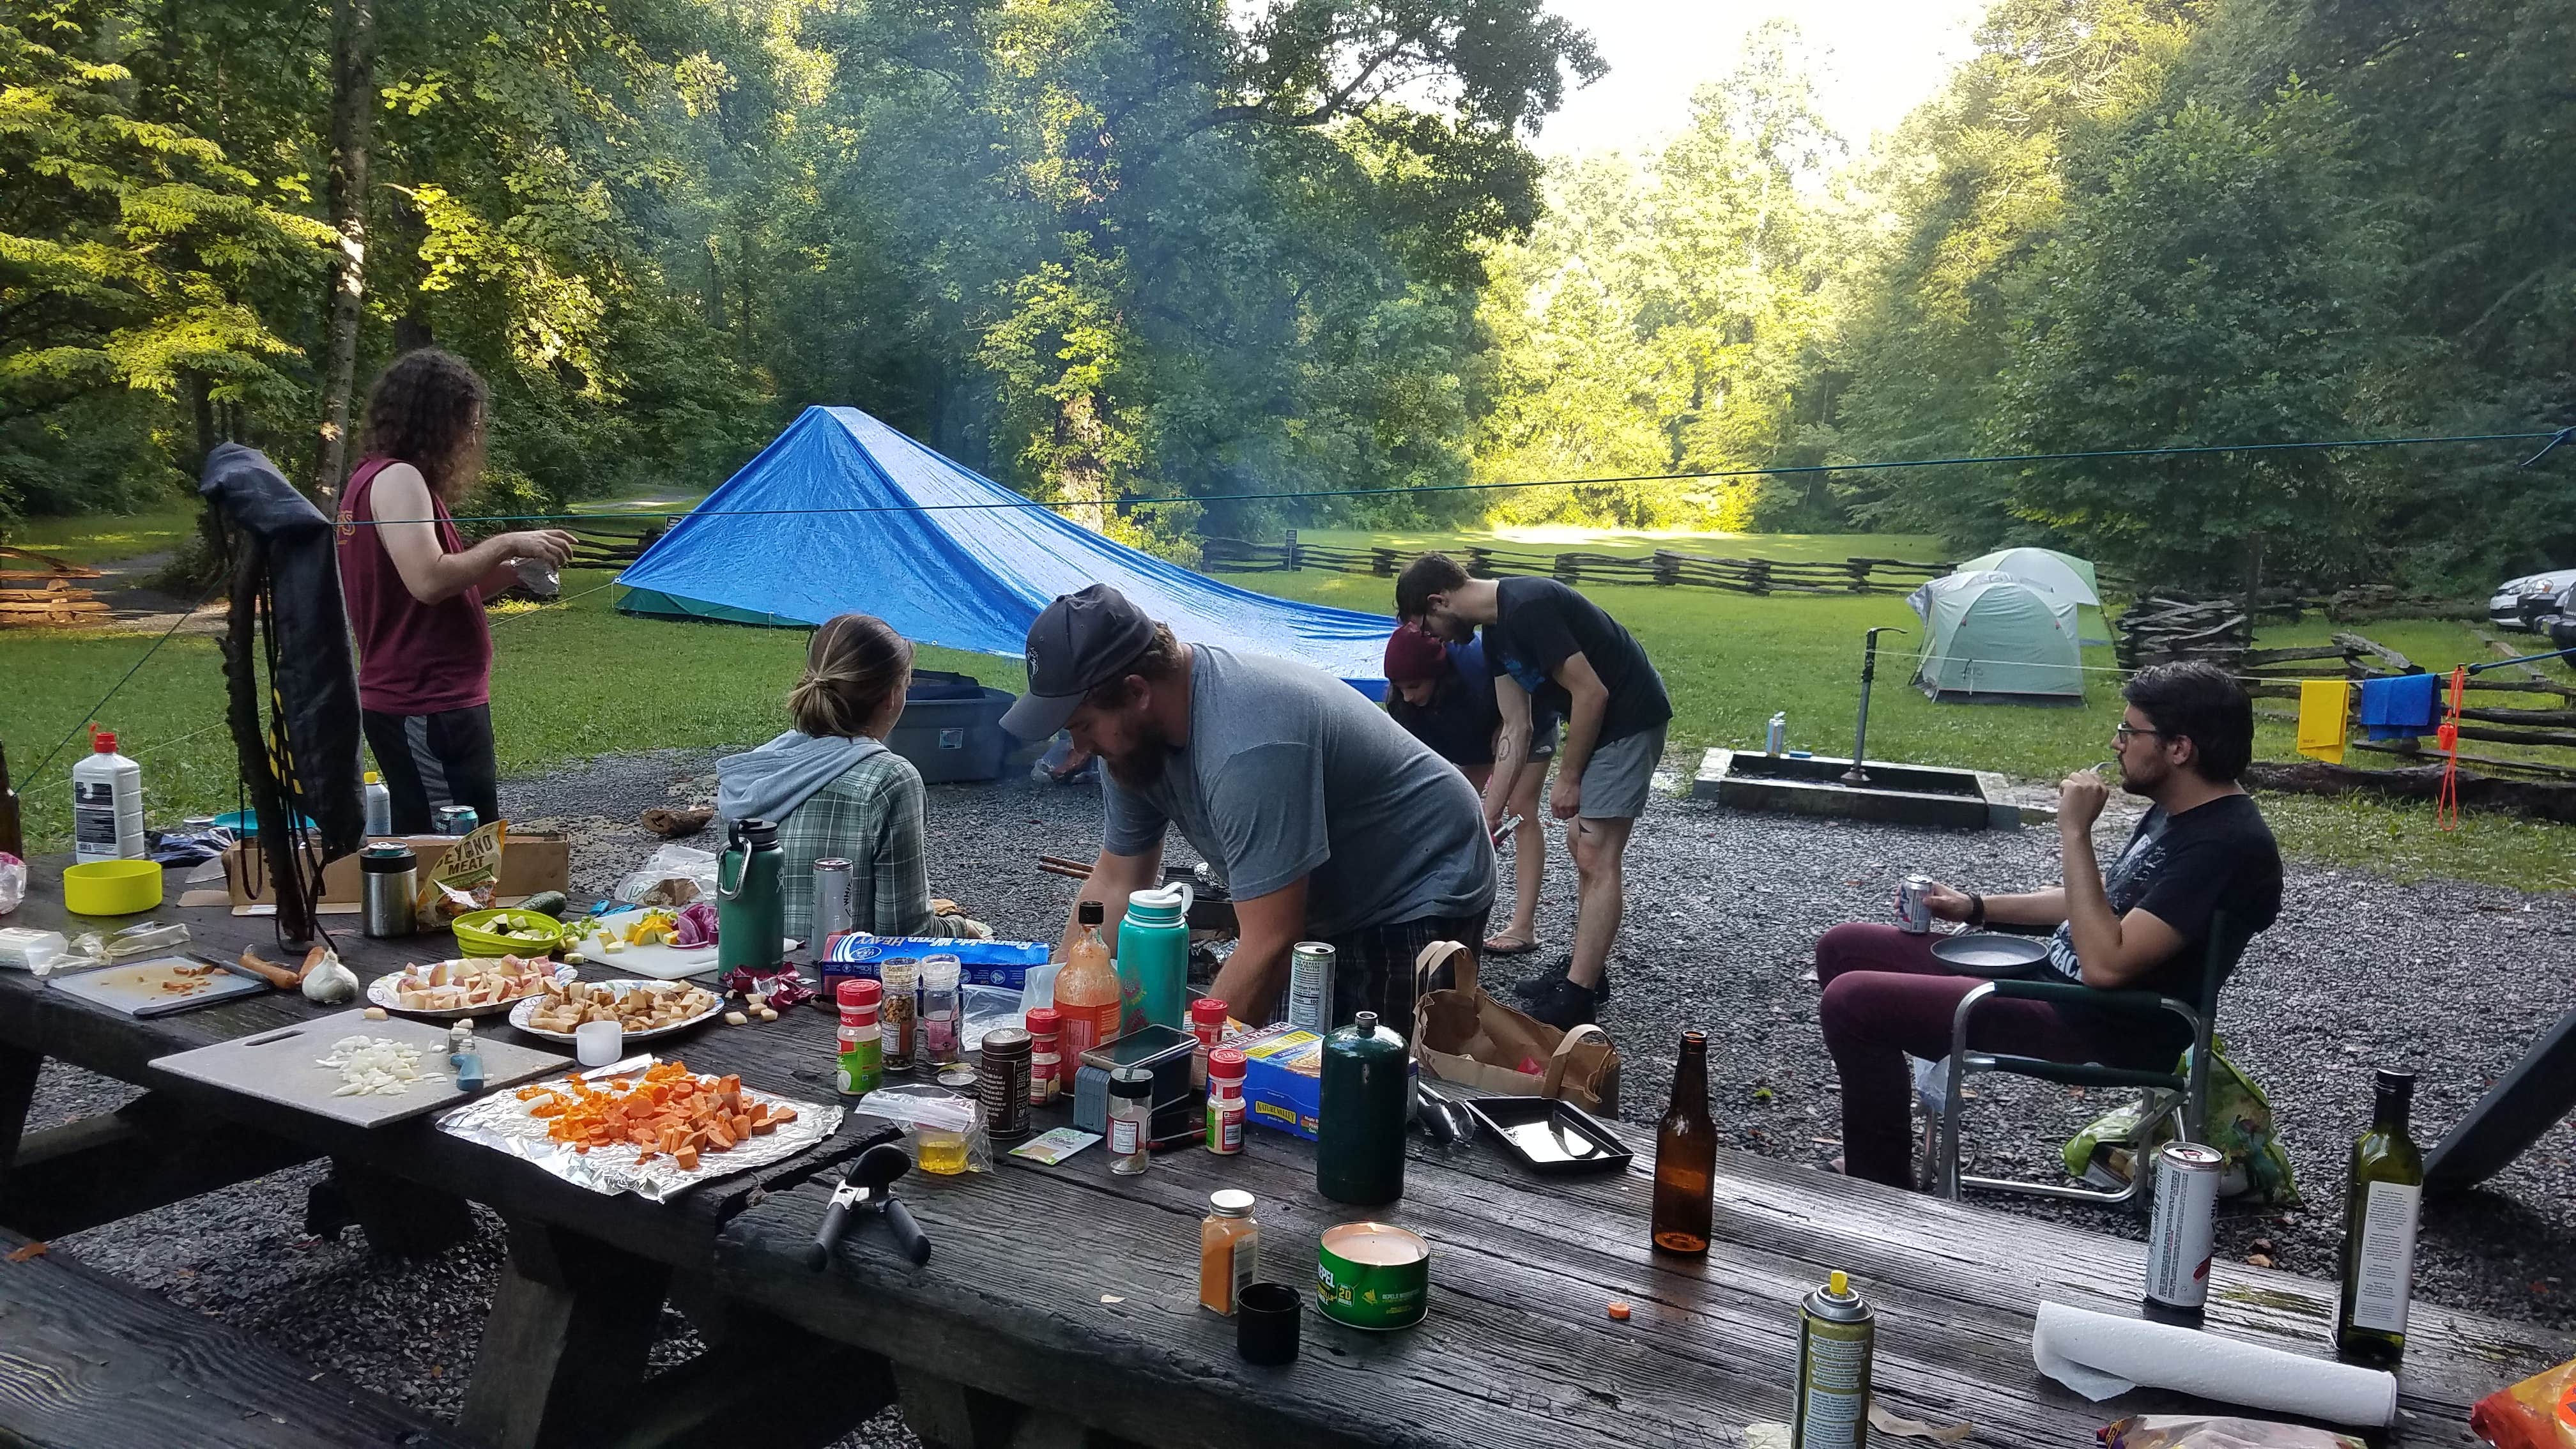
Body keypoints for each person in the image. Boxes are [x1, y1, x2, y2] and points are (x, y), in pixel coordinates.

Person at [1811, 662, 2284, 1190]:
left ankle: (1881, 1185)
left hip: (2103, 1019)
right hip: (2057, 984)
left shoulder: (2227, 846)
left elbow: (2107, 964)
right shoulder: (2180, 813)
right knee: (1844, 947)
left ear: (2180, 749)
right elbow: (2101, 903)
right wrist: (1974, 906)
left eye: (2130, 731)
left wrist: (2073, 831)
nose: (2116, 742)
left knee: (1853, 1001)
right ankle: (1882, 1153)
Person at [1006, 584, 1495, 1033]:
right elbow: (1116, 880)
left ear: (1137, 692)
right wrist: (1054, 1011)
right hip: (1317, 899)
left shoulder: (1247, 745)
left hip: (1419, 877)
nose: (1078, 746)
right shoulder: (1132, 745)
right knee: (1280, 1055)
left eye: (1082, 725)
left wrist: (1192, 1068)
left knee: (1364, 1079)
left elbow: (1272, 939)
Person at [1395, 553, 1671, 1028]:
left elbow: (1592, 694)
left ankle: (1579, 994)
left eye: (1425, 626)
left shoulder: (1528, 606)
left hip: (1629, 719)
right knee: (1581, 845)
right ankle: (1587, 970)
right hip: (1602, 723)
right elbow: (1516, 728)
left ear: (1438, 601)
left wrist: (1569, 775)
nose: (1432, 640)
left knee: (1596, 854)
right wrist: (1488, 813)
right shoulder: (1495, 635)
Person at [335, 349, 574, 833]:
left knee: (466, 847)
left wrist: (508, 571)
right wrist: (508, 539)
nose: (471, 437)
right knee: (452, 852)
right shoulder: (397, 478)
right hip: (425, 700)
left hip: (438, 698)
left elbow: (436, 587)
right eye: (467, 423)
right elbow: (428, 580)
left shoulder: (379, 479)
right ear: (435, 419)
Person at [716, 613, 986, 944]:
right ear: (891, 696)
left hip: (744, 973)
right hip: (839, 987)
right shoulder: (890, 779)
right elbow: (905, 932)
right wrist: (963, 929)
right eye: (906, 686)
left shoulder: (752, 770)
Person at [1381, 623, 1556, 959]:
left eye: (1415, 686)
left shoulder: (1479, 665)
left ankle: (1524, 926)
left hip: (1527, 722)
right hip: (1474, 735)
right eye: (1399, 688)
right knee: (1452, 806)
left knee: (1520, 809)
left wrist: (1492, 812)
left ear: (1438, 674)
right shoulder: (1403, 703)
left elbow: (1519, 725)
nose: (1408, 696)